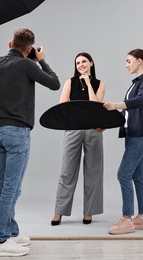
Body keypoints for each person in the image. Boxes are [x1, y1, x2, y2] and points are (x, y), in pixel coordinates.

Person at [0, 28, 60, 256]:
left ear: (10, 43)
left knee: (6, 187)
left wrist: (27, 57)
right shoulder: (28, 65)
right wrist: (41, 60)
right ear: (29, 49)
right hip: (17, 133)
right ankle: (0, 241)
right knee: (11, 189)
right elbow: (55, 83)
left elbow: (13, 66)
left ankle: (11, 232)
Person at [103, 48, 143, 235]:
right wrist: (105, 123)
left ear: (139, 61)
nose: (126, 65)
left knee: (123, 174)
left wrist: (117, 104)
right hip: (133, 134)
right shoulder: (136, 83)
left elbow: (139, 101)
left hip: (142, 134)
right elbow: (128, 111)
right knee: (137, 176)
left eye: (128, 61)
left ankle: (126, 219)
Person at [51, 52, 106, 226]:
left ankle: (89, 212)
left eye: (83, 61)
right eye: (77, 63)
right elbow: (62, 106)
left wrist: (88, 83)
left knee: (93, 172)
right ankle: (59, 211)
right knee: (67, 171)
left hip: (93, 130)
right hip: (73, 130)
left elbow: (97, 106)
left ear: (91, 63)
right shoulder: (70, 82)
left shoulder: (100, 84)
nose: (80, 65)